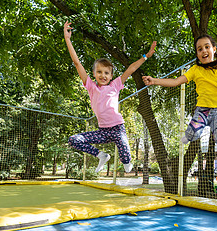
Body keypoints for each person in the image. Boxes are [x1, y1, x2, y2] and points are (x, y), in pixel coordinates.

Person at [64, 21, 156, 173]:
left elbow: (131, 68)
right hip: (102, 131)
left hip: (118, 129)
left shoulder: (115, 84)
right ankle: (101, 156)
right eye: (99, 72)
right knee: (74, 140)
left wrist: (147, 56)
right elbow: (77, 63)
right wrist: (68, 39)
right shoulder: (90, 86)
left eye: (107, 73)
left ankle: (126, 161)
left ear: (111, 75)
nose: (103, 75)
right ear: (94, 74)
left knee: (127, 164)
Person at [143, 34, 217, 149]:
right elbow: (175, 81)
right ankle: (189, 135)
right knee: (193, 134)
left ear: (214, 49)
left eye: (207, 47)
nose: (204, 51)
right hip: (202, 110)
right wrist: (154, 81)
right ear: (197, 54)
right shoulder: (195, 70)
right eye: (200, 49)